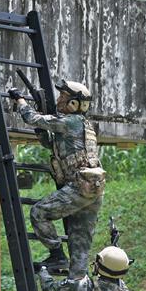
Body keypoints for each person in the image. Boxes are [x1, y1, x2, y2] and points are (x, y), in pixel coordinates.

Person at [8, 80, 105, 278]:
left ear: (74, 105)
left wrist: (20, 101)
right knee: (79, 246)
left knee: (39, 212)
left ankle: (56, 253)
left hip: (79, 187)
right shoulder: (82, 125)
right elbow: (50, 145)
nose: (59, 100)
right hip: (93, 189)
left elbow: (33, 119)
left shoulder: (71, 122)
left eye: (63, 97)